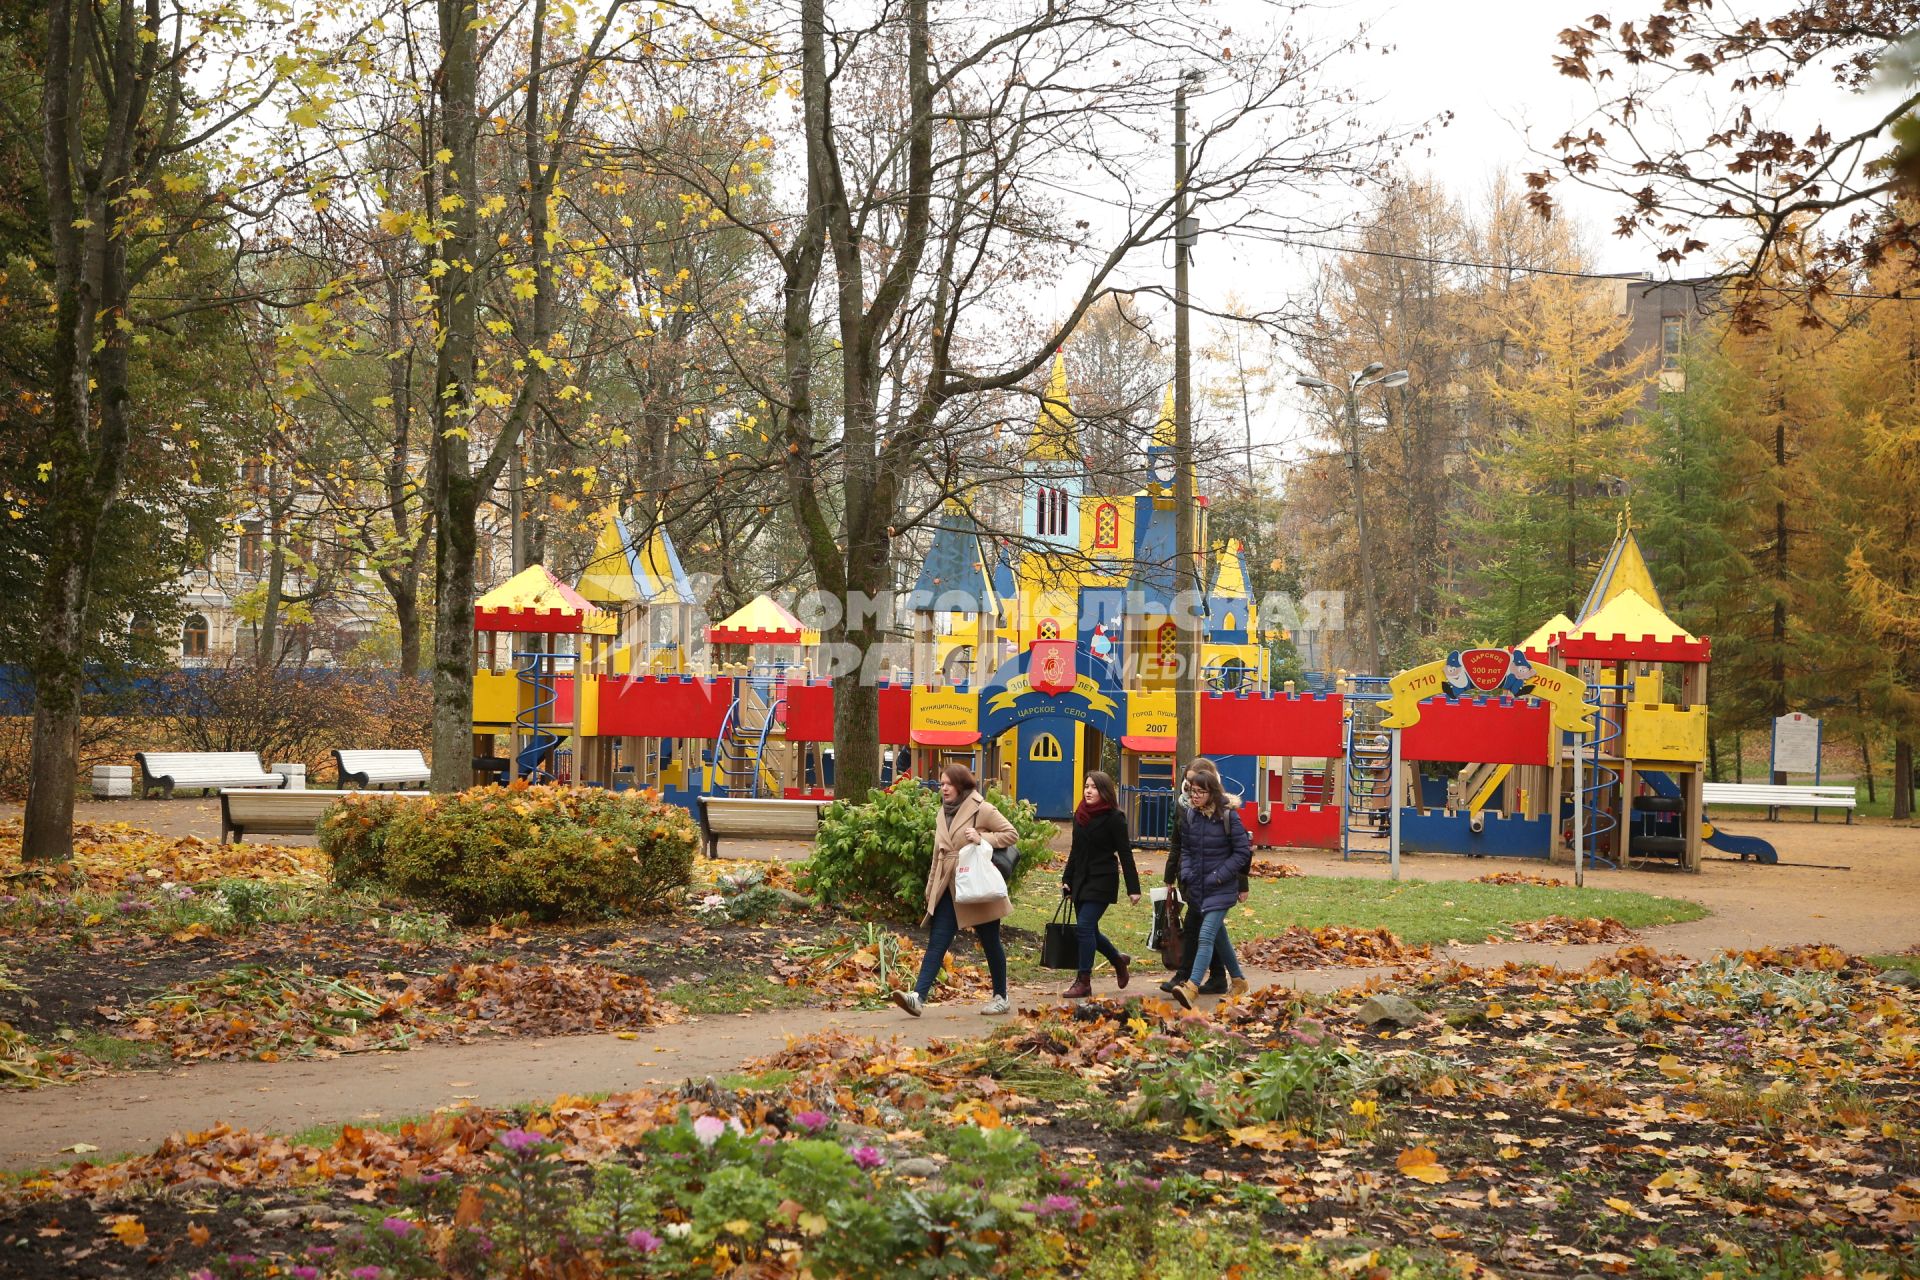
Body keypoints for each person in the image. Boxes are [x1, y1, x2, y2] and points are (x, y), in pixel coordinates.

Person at [893, 763, 1019, 1018]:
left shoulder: (980, 807)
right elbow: (936, 855)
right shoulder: (943, 813)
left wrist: (983, 839)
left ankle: (1001, 997)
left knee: (991, 942)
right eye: (941, 784)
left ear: (961, 785)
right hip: (949, 885)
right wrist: (931, 889)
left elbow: (1011, 834)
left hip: (976, 885)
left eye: (948, 784)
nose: (944, 789)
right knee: (937, 942)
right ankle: (918, 997)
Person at [1169, 764, 1252, 1008]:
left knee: (1205, 935)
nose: (1194, 796)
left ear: (1212, 792)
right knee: (1219, 938)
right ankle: (1239, 981)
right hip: (1199, 887)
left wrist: (1219, 876)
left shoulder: (1228, 816)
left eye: (1200, 792)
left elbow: (1242, 853)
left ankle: (1192, 987)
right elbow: (1187, 848)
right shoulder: (1192, 815)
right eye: (1192, 791)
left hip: (1222, 887)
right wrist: (1185, 873)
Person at [1059, 770, 1140, 998]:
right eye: (1086, 786)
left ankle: (1083, 981)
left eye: (1094, 787)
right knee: (1090, 930)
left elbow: (1125, 853)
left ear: (1104, 791)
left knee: (1084, 927)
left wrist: (1133, 888)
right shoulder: (1081, 814)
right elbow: (1075, 850)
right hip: (1080, 880)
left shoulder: (1115, 818)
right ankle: (1117, 959)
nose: (1088, 790)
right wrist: (1067, 879)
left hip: (1103, 879)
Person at [1158, 759, 1236, 995]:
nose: (1190, 785)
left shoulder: (1224, 810)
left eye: (1196, 780)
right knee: (1212, 932)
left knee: (1197, 929)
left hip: (1215, 880)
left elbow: (1239, 850)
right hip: (1191, 876)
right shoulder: (1183, 805)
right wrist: (1172, 874)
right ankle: (1222, 977)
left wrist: (1240, 885)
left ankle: (1186, 980)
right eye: (1188, 780)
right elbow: (1178, 843)